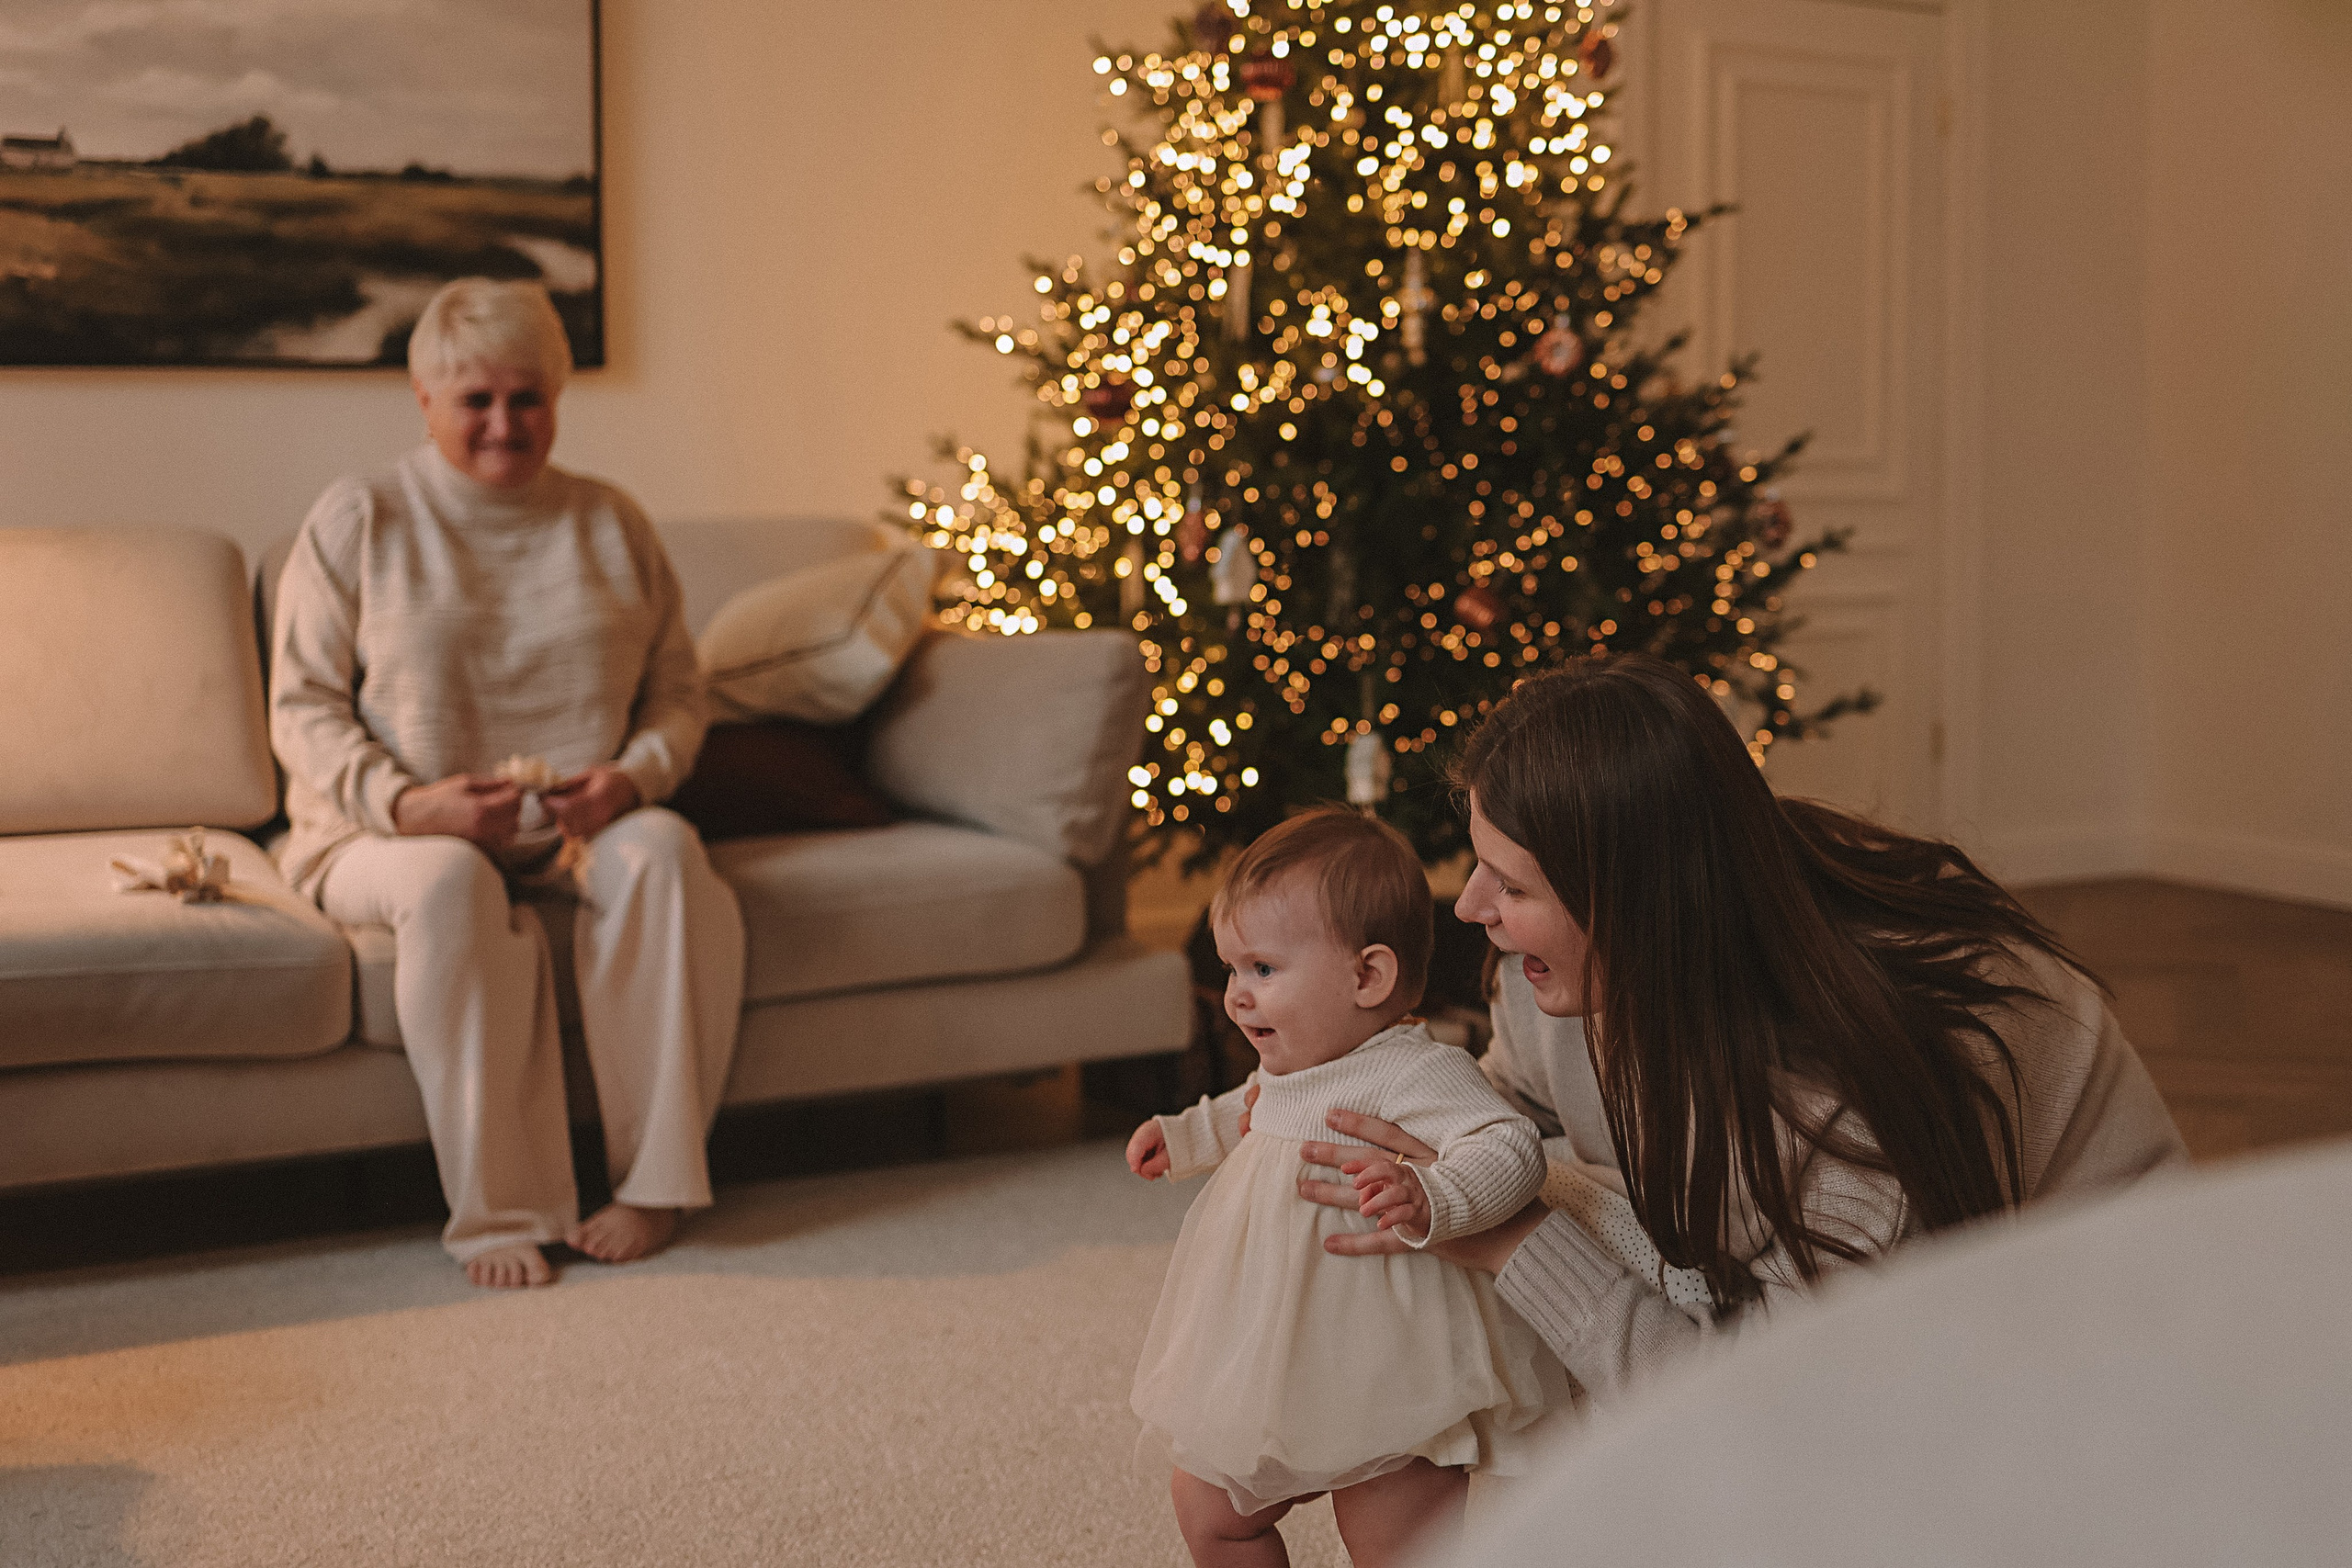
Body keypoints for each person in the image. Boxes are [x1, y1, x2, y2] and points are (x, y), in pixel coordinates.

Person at [1285, 653, 2188, 1403]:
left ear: (1636, 904)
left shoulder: (1840, 1097)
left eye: (1512, 886)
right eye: (1480, 869)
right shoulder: (1563, 965)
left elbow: (1777, 1406)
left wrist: (1516, 1243)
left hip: (2096, 1347)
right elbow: (1516, 1097)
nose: (1472, 907)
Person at [270, 277, 745, 1290]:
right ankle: (501, 1211)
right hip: (384, 834)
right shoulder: (360, 517)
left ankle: (655, 1186)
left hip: (576, 825)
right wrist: (409, 804)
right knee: (449, 880)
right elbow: (301, 705)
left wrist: (628, 781)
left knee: (665, 851)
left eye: (526, 398)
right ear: (424, 399)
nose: (502, 424)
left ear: (558, 398)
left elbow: (680, 696)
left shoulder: (611, 522)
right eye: (475, 400)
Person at [1125, 808, 1584, 1568]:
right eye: (1233, 968)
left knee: (1395, 1542)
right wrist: (1183, 1137)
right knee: (1208, 1508)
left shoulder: (1415, 1069)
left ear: (1368, 975)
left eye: (1262, 969)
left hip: (1391, 1366)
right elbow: (1250, 1109)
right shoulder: (1288, 1061)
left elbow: (1509, 1145)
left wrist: (1434, 1195)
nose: (1237, 995)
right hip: (1274, 1341)